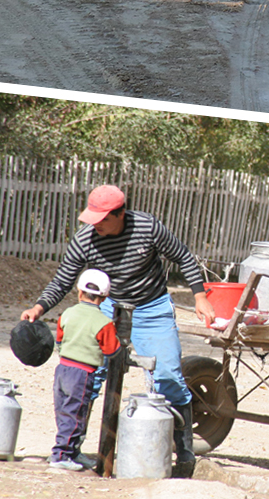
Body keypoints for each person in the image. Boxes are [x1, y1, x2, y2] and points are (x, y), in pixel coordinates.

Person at [21, 185, 215, 479]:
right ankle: (69, 452)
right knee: (89, 374)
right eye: (92, 218)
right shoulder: (85, 239)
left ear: (120, 214)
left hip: (153, 307)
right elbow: (63, 279)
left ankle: (184, 452)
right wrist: (39, 308)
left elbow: (184, 257)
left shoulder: (148, 227)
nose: (94, 225)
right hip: (109, 308)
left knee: (168, 376)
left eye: (102, 219)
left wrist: (200, 296)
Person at [50, 268, 120, 471]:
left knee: (64, 411)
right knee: (76, 414)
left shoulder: (67, 314)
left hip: (62, 369)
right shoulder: (104, 322)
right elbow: (111, 349)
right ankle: (61, 455)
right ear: (105, 297)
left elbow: (60, 339)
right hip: (82, 374)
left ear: (79, 292)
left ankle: (69, 453)